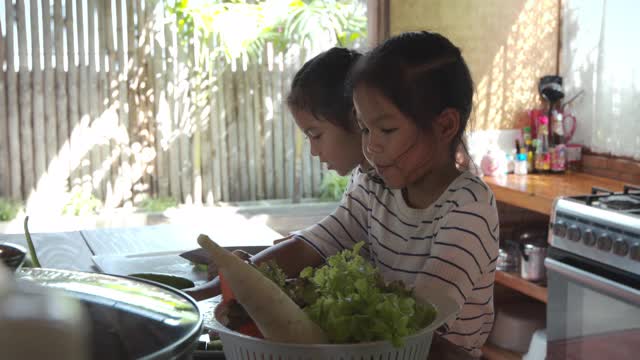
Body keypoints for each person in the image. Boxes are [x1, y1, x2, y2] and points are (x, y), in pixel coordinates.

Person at [193, 31, 498, 359]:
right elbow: (311, 245)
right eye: (365, 129)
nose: (371, 145)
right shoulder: (375, 189)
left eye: (387, 130)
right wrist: (234, 280)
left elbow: (422, 317)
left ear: (445, 126)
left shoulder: (468, 207)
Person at [185, 46, 368, 298]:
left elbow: (313, 246)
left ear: (357, 118)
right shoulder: (366, 181)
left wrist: (217, 287)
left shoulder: (383, 185)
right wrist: (242, 273)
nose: (314, 151)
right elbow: (318, 242)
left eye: (316, 135)